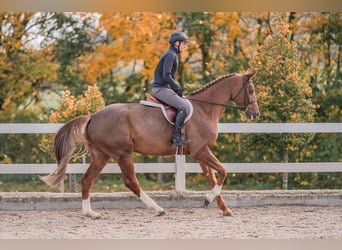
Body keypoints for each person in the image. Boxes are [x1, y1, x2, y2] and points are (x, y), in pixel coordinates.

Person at [152, 31, 191, 146]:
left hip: (164, 88)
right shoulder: (170, 55)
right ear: (177, 43)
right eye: (184, 44)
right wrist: (177, 87)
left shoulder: (171, 54)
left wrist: (176, 89)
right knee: (184, 106)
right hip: (161, 88)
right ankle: (176, 137)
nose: (185, 46)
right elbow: (167, 75)